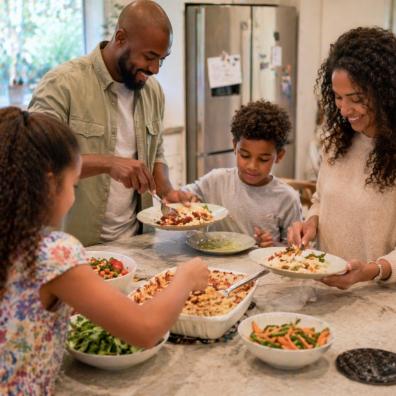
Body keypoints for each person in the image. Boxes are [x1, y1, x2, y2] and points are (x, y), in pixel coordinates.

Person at [0, 107, 209, 394]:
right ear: (50, 185)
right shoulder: (53, 253)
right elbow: (146, 329)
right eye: (73, 185)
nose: (73, 196)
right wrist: (185, 276)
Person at [29, 0, 182, 246]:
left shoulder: (153, 92)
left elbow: (157, 153)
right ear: (120, 38)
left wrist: (168, 191)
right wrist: (109, 163)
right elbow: (37, 162)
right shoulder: (63, 84)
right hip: (73, 248)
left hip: (137, 244)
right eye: (149, 57)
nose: (155, 69)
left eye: (162, 60)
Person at [288, 27, 396, 289]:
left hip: (380, 300)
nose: (345, 110)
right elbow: (320, 199)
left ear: (385, 93)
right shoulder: (335, 141)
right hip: (326, 289)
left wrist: (372, 270)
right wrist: (312, 222)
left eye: (356, 99)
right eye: (338, 97)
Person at [178, 100, 302, 247]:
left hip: (258, 269)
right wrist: (183, 198)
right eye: (245, 155)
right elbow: (182, 198)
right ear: (234, 146)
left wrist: (272, 246)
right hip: (216, 266)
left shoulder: (287, 199)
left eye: (263, 159)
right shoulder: (216, 181)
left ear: (279, 156)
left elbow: (295, 250)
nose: (252, 166)